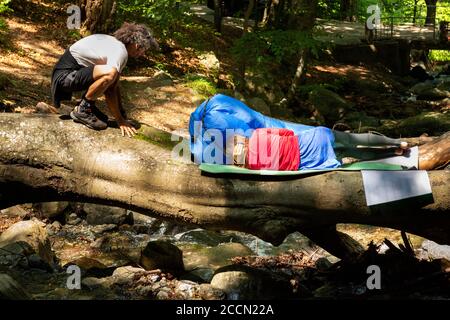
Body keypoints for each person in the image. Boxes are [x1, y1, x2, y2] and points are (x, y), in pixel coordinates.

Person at [190, 94, 449, 170]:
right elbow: (283, 134)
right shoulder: (257, 136)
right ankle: (397, 142)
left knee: (353, 154)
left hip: (314, 157)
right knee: (354, 139)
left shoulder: (258, 158)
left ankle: (394, 151)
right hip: (318, 137)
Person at [51, 22, 159, 137]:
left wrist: (122, 115)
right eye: (144, 50)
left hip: (68, 75)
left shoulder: (115, 45)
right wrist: (121, 121)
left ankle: (88, 106)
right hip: (65, 77)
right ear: (137, 45)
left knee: (113, 76)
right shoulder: (119, 51)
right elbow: (110, 88)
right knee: (110, 74)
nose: (142, 54)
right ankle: (83, 109)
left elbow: (113, 85)